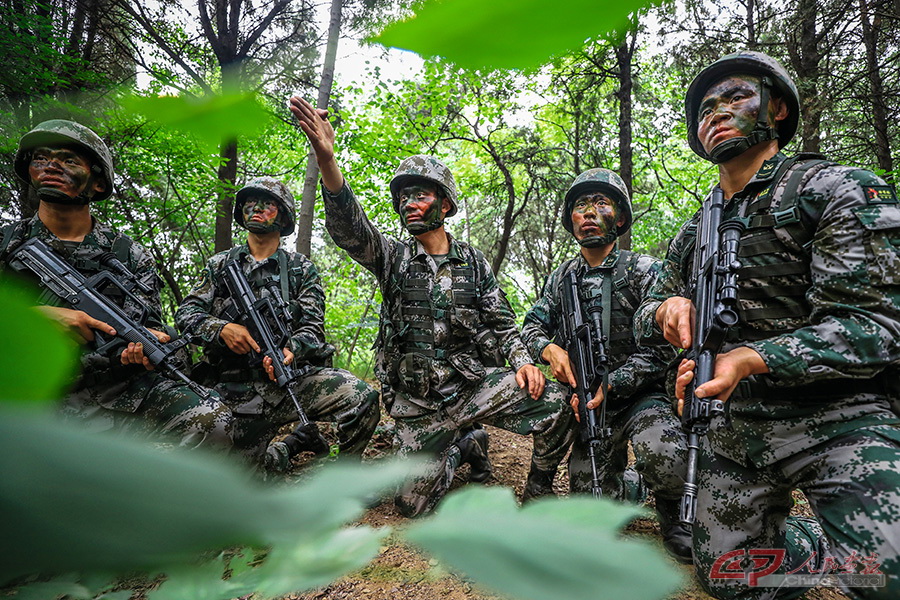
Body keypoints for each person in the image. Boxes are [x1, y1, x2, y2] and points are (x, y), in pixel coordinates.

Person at [635, 51, 900, 599]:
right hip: (739, 430)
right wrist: (665, 309)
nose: (716, 112)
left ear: (777, 108)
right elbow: (650, 302)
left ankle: (854, 545)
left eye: (735, 97)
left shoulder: (832, 189)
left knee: (885, 577)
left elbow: (874, 325)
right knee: (731, 581)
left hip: (841, 417)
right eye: (705, 107)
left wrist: (755, 357)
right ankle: (818, 545)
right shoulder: (696, 230)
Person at [290, 96, 575, 516]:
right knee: (413, 506)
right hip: (419, 404)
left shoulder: (473, 262)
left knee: (553, 403)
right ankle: (463, 448)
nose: (409, 204)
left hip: (471, 390)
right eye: (403, 198)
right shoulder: (392, 258)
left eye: (419, 195)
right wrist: (327, 160)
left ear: (444, 205)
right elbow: (351, 230)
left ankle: (536, 488)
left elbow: (502, 322)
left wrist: (521, 362)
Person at [0, 119, 232, 447]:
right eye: (41, 158)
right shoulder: (6, 241)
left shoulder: (128, 253)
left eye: (68, 160)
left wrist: (142, 350)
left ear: (97, 183)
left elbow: (151, 326)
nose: (51, 165)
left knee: (211, 418)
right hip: (22, 389)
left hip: (110, 390)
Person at [521, 167, 692, 563]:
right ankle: (633, 487)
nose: (589, 212)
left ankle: (672, 514)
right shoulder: (561, 278)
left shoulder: (646, 271)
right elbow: (531, 326)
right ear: (571, 219)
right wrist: (548, 349)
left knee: (667, 457)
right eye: (581, 205)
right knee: (592, 505)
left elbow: (663, 349)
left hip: (640, 397)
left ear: (619, 216)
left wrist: (613, 383)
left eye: (601, 203)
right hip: (590, 405)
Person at [175, 177, 380, 470]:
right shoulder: (219, 265)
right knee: (236, 482)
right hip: (230, 391)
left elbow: (313, 328)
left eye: (268, 204)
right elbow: (186, 315)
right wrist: (221, 329)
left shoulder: (301, 268)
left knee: (361, 395)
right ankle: (289, 447)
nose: (256, 209)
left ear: (283, 216)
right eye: (250, 203)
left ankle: (343, 477)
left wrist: (292, 349)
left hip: (288, 384)